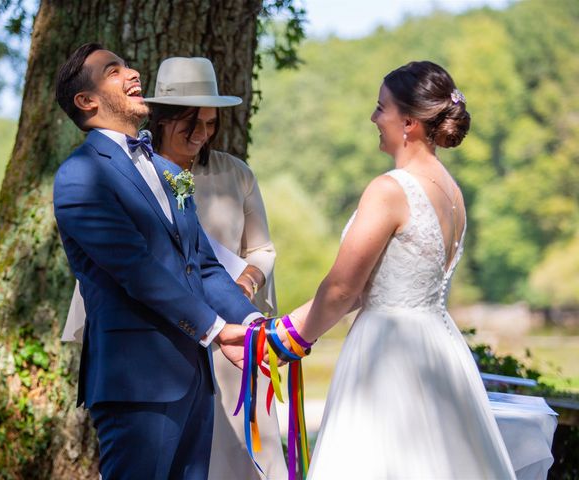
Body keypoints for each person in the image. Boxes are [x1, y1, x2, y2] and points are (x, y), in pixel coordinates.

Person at [278, 61, 517, 478]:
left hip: (387, 355)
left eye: (380, 107)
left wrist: (292, 341)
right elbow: (358, 291)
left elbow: (341, 289)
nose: (373, 117)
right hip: (438, 347)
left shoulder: (389, 190)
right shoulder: (452, 192)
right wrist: (273, 332)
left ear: (408, 121)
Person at [53, 43, 262, 479]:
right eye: (114, 71)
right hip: (137, 384)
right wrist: (218, 330)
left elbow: (201, 264)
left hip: (192, 378)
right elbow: (137, 270)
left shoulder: (168, 173)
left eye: (127, 65)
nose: (132, 73)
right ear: (87, 101)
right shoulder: (80, 176)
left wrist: (256, 326)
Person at [144, 57, 287, 480]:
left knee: (242, 449)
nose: (204, 134)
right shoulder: (138, 173)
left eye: (211, 123)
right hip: (167, 338)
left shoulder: (236, 174)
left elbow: (261, 248)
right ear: (166, 118)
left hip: (234, 334)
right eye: (194, 123)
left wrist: (245, 282)